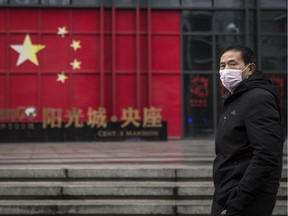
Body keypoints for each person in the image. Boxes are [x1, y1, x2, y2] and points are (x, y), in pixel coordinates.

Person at [211, 45, 284, 216]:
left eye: (232, 64)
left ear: (249, 68)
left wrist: (238, 199)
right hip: (228, 192)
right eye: (222, 66)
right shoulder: (236, 98)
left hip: (246, 199)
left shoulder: (258, 98)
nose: (226, 70)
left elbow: (266, 154)